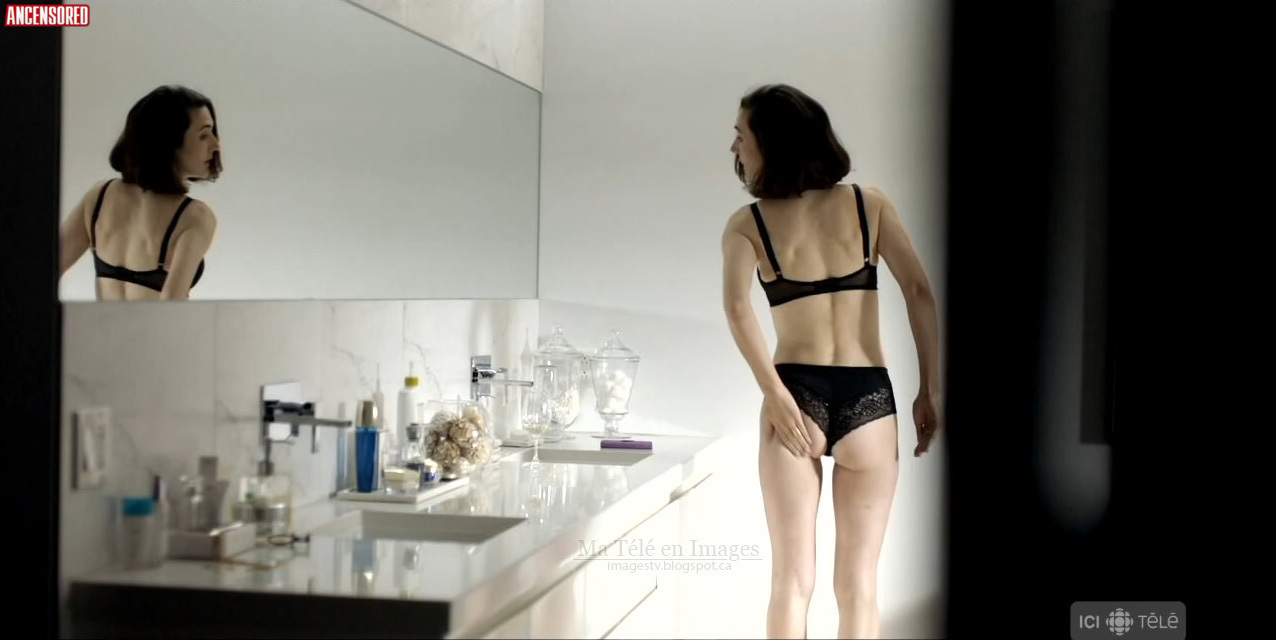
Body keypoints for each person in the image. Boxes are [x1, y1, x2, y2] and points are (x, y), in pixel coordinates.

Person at [721, 83, 943, 639]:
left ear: (771, 142)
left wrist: (774, 395)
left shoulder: (748, 224)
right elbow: (919, 291)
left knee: (790, 583)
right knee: (860, 586)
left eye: (741, 135)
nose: (735, 147)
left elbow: (737, 308)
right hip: (871, 399)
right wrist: (930, 389)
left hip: (794, 395)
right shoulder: (870, 205)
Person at [59, 84, 221, 301]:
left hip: (102, 324)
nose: (216, 144)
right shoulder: (195, 217)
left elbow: (39, 273)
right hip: (158, 326)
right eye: (203, 135)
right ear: (169, 142)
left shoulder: (99, 198)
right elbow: (172, 307)